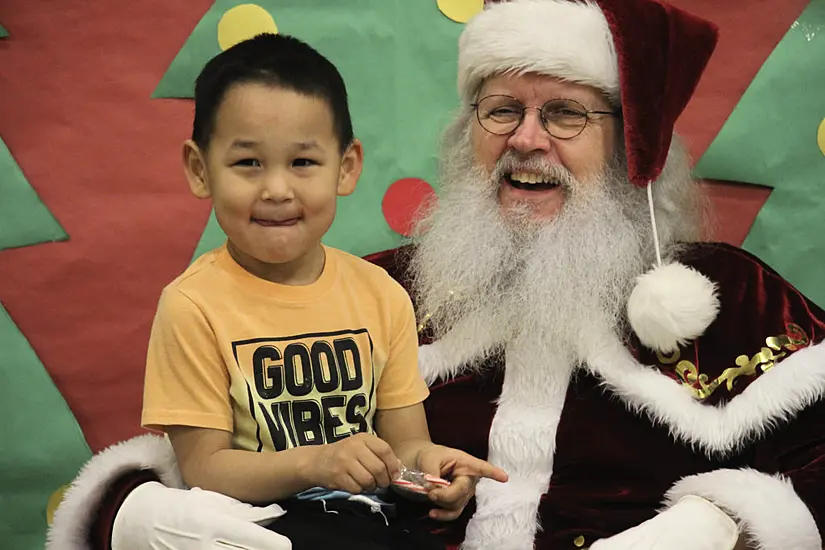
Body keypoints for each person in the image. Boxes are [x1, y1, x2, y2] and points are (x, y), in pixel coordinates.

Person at [48, 1, 825, 549]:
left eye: (564, 114)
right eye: (500, 110)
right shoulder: (378, 289)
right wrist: (127, 513)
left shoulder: (729, 300)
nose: (527, 140)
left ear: (631, 148)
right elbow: (216, 446)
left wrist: (720, 526)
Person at [54, 32, 508, 550]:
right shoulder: (193, 306)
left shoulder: (380, 295)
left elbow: (405, 444)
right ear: (201, 170)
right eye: (248, 163)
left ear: (347, 166)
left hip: (375, 525)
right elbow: (205, 468)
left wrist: (431, 469)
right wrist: (315, 462)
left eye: (302, 162)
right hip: (258, 528)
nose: (276, 189)